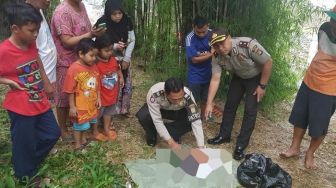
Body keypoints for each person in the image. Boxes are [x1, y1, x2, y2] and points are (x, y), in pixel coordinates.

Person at [0, 2, 60, 184]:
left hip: (39, 99)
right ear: (15, 28)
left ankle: (26, 160)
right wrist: (7, 80)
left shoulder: (30, 43)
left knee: (53, 133)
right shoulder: (4, 50)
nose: (35, 35)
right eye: (31, 30)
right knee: (23, 141)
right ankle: (25, 176)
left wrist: (47, 82)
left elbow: (37, 59)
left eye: (37, 30)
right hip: (20, 106)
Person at [280, 6, 336, 169]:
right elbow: (321, 51)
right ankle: (294, 148)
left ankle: (310, 154)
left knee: (319, 125)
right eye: (332, 17)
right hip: (310, 79)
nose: (332, 21)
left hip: (329, 88)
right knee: (300, 115)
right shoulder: (324, 28)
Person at [205, 28, 273, 160]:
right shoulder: (217, 56)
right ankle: (224, 135)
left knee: (249, 110)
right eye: (216, 46)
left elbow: (268, 62)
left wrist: (262, 86)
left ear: (229, 37)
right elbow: (215, 78)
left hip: (255, 78)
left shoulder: (247, 44)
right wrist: (209, 103)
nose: (220, 48)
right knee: (230, 105)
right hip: (239, 77)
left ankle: (241, 145)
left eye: (222, 43)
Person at [51, 0, 105, 142]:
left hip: (84, 60)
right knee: (64, 95)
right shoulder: (61, 11)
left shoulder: (81, 6)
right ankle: (63, 130)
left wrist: (94, 33)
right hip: (66, 60)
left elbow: (85, 31)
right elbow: (66, 41)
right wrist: (89, 34)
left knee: (82, 91)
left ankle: (78, 122)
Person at [136, 77, 205, 149]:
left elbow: (195, 119)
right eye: (174, 99)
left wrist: (201, 146)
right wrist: (171, 143)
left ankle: (173, 133)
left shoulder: (188, 94)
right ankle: (152, 133)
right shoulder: (154, 93)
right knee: (143, 115)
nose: (178, 102)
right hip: (161, 110)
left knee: (191, 120)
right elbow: (157, 120)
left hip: (179, 111)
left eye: (180, 98)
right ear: (166, 93)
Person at [96, 0, 135, 117]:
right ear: (108, 13)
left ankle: (124, 109)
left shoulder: (127, 21)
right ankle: (110, 112)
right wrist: (114, 46)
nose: (118, 16)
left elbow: (132, 39)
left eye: (120, 13)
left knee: (125, 82)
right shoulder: (102, 22)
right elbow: (98, 42)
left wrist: (127, 58)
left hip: (124, 56)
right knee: (110, 84)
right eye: (114, 14)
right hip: (108, 58)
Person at [63, 38, 101, 150]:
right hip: (79, 105)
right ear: (81, 54)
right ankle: (78, 145)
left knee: (87, 123)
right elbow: (69, 90)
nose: (94, 59)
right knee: (79, 125)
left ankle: (84, 140)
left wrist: (98, 98)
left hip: (91, 102)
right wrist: (72, 107)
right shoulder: (74, 69)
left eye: (95, 55)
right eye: (91, 55)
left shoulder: (94, 66)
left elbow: (97, 84)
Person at [93, 34, 124, 141]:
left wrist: (121, 77)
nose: (109, 52)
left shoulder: (113, 60)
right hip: (100, 96)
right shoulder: (95, 63)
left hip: (112, 94)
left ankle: (106, 128)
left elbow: (118, 69)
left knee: (109, 112)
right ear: (97, 50)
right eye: (106, 50)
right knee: (97, 114)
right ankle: (95, 131)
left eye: (111, 49)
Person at [26, 0, 57, 90]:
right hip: (41, 79)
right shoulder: (26, 17)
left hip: (49, 74)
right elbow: (31, 52)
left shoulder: (38, 10)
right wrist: (46, 82)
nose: (48, 1)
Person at [185, 16, 213, 118]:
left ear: (208, 26)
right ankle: (193, 118)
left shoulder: (213, 34)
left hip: (209, 73)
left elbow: (217, 51)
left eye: (204, 32)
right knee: (192, 100)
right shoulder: (189, 37)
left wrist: (201, 55)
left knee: (205, 99)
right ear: (193, 27)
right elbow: (194, 60)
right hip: (195, 75)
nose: (201, 35)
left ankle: (202, 118)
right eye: (198, 32)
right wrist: (210, 54)